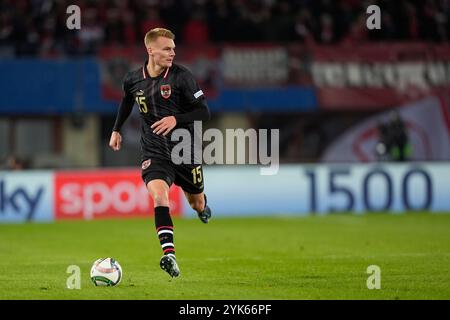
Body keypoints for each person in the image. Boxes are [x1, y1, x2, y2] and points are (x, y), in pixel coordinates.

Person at [109, 27, 212, 278]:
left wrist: (176, 119)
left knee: (195, 201)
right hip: (154, 149)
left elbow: (204, 112)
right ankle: (169, 255)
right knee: (159, 197)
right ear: (150, 50)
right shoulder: (133, 79)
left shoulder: (182, 77)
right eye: (167, 48)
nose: (172, 53)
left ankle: (203, 210)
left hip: (185, 150)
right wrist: (116, 129)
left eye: (174, 49)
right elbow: (126, 101)